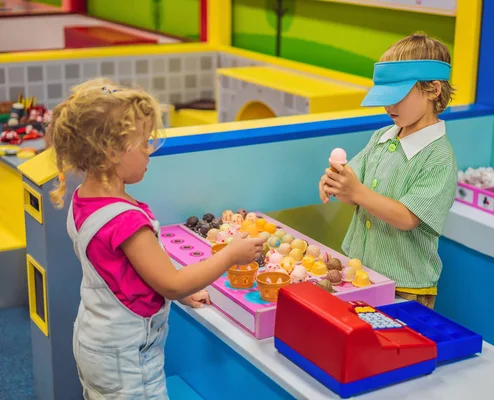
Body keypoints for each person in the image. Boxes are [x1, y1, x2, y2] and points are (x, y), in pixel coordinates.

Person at [46, 78, 266, 399]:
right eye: (144, 143)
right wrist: (230, 255)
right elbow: (171, 283)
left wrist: (180, 294)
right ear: (111, 151)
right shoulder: (126, 221)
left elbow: (127, 273)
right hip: (127, 359)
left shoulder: (85, 197)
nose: (151, 151)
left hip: (96, 341)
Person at [320, 33, 458, 309]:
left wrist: (356, 190)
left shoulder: (439, 158)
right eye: (385, 97)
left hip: (406, 287)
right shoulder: (383, 137)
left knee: (395, 349)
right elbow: (353, 192)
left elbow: (408, 217)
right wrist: (338, 184)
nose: (389, 106)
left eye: (398, 96)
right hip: (361, 273)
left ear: (433, 90)